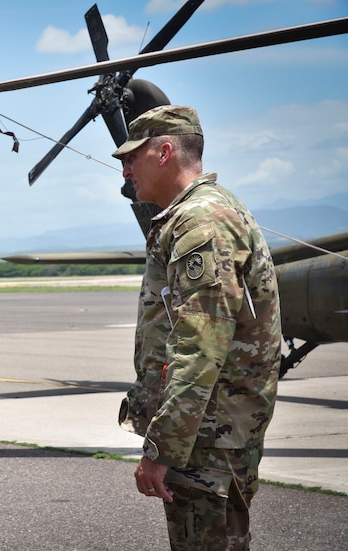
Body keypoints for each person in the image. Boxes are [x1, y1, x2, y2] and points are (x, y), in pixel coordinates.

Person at [113, 105, 282, 550]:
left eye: (133, 156)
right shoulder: (197, 214)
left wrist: (162, 449)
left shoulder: (200, 221)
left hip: (206, 440)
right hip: (209, 435)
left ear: (165, 151)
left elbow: (200, 345)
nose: (126, 168)